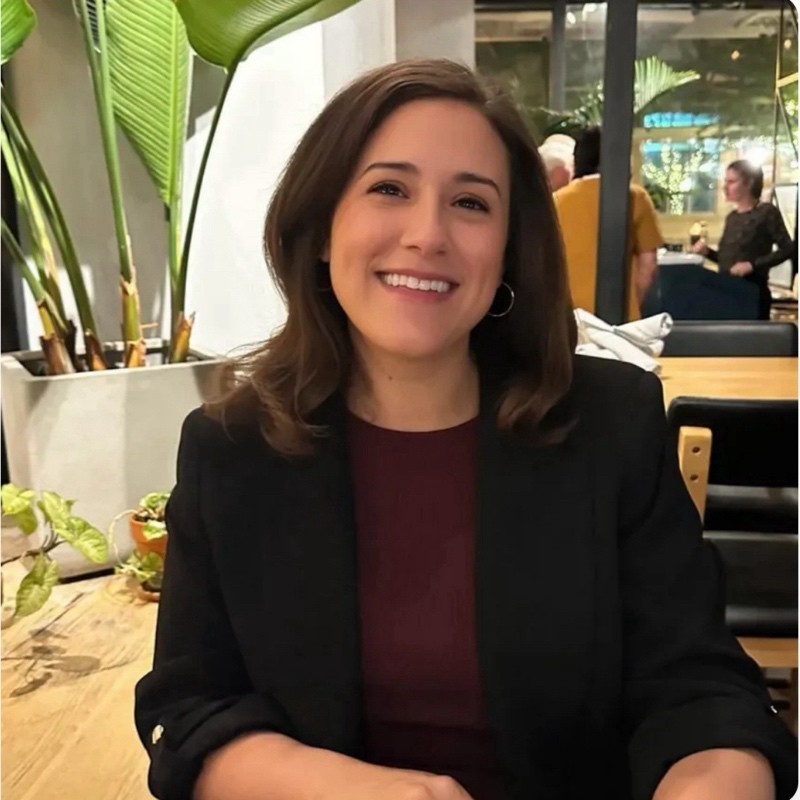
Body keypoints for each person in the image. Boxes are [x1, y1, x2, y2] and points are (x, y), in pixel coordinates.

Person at [134, 60, 796, 800]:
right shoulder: (232, 448)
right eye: (390, 189)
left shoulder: (611, 423)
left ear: (509, 248)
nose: (428, 235)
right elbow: (189, 710)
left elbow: (703, 692)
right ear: (321, 227)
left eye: (471, 203)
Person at [554, 126, 663, 320]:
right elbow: (648, 264)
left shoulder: (557, 201)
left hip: (571, 318)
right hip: (621, 317)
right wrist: (632, 302)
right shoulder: (636, 197)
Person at [692, 159, 794, 320]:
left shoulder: (766, 212)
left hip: (752, 294)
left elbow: (788, 248)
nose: (725, 187)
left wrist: (752, 265)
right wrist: (707, 253)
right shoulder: (732, 217)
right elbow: (729, 263)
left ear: (749, 183)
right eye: (725, 181)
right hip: (726, 293)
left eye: (731, 182)